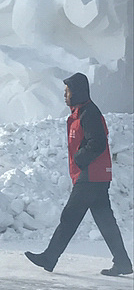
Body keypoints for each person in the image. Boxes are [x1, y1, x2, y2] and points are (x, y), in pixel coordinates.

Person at [25, 72, 133, 277]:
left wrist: (79, 159)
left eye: (68, 91)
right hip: (96, 176)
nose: (65, 94)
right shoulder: (81, 113)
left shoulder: (89, 113)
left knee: (70, 218)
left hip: (91, 176)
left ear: (78, 92)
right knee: (105, 221)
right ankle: (123, 262)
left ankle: (49, 257)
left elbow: (98, 142)